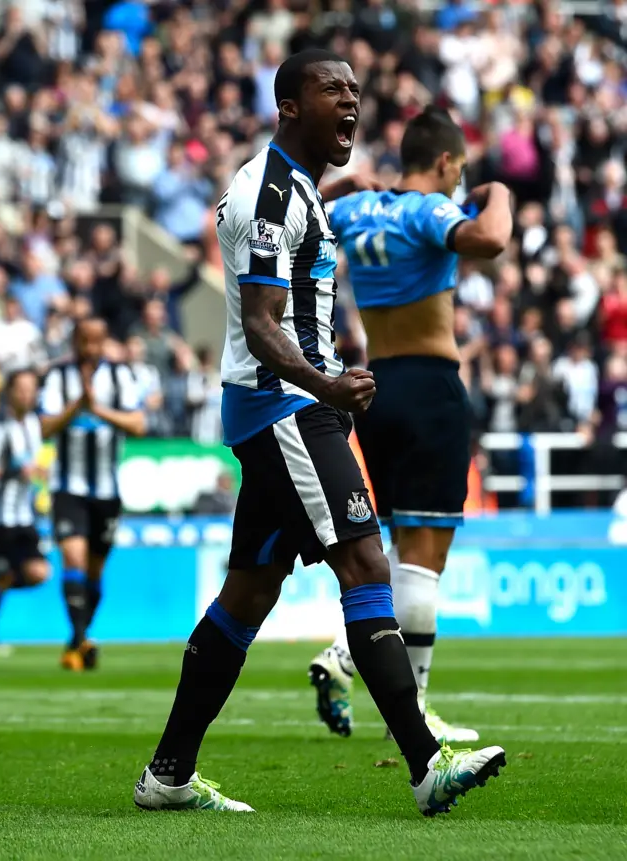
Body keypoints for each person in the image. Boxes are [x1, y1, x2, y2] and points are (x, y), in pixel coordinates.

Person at [134, 50, 505, 818]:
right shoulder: (271, 195)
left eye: (356, 91)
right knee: (367, 561)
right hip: (286, 408)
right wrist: (329, 384)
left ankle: (167, 774)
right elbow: (265, 327)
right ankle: (427, 765)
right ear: (289, 104)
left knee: (248, 593)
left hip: (289, 406)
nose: (351, 102)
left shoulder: (293, 187)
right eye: (333, 88)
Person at [310, 106, 513, 743]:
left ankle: (346, 658)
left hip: (376, 390)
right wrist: (500, 192)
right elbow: (490, 240)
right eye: (460, 171)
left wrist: (345, 185)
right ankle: (409, 702)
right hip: (429, 387)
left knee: (403, 552)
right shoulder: (429, 210)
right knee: (425, 561)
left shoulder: (357, 211)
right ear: (449, 163)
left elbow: (306, 213)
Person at [39, 316, 145, 671]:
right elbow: (44, 427)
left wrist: (96, 408)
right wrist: (76, 406)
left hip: (106, 490)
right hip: (68, 487)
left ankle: (76, 641)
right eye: (84, 341)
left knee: (95, 572)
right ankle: (83, 641)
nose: (90, 348)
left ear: (105, 342)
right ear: (75, 342)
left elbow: (139, 424)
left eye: (96, 341)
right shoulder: (57, 376)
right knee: (73, 559)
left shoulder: (120, 376)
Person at [0, 369, 50, 653]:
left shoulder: (35, 425)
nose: (26, 394)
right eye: (21, 388)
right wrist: (10, 469)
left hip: (24, 517)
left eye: (31, 388)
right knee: (5, 576)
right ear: (10, 392)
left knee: (38, 572)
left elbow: (33, 467)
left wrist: (39, 473)